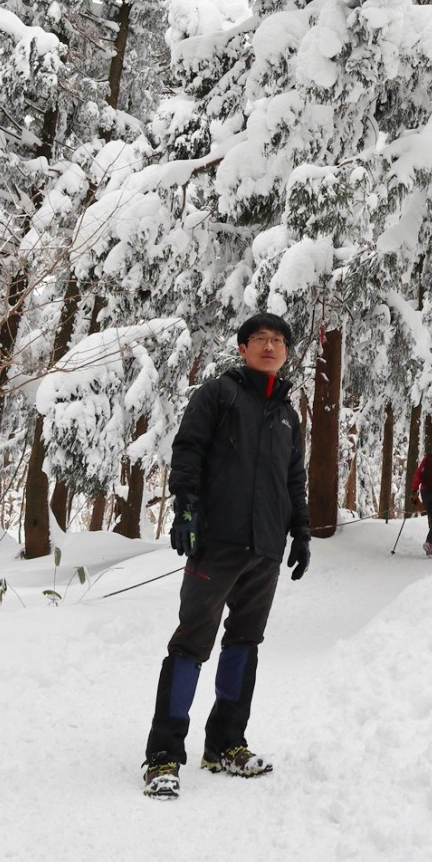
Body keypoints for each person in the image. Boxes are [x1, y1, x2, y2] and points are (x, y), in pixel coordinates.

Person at [142, 311, 310, 799]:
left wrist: (300, 532)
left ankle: (225, 744)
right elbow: (188, 449)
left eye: (278, 340)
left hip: (265, 549)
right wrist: (186, 509)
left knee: (244, 642)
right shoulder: (218, 394)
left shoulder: (287, 414)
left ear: (285, 352)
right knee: (192, 643)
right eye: (260, 338)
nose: (270, 346)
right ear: (242, 348)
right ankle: (163, 755)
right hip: (216, 543)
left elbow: (293, 479)